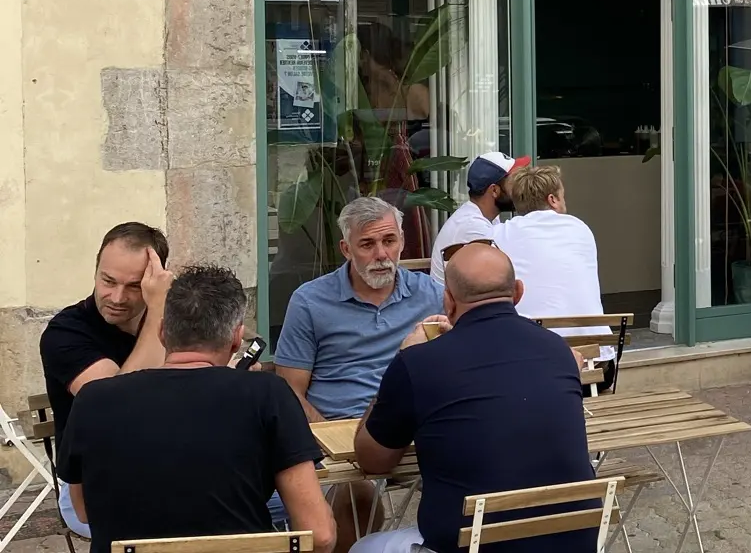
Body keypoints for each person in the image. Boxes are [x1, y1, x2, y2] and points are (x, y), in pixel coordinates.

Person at [56, 266, 335, 553]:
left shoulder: (93, 400)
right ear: (237, 339)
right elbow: (320, 535)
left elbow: (84, 511)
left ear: (163, 332)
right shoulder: (268, 393)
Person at [350, 244, 597, 553]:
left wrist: (404, 358)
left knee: (362, 547)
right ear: (518, 292)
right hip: (573, 543)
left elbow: (372, 460)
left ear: (448, 300)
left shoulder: (420, 363)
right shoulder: (559, 351)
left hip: (470, 545)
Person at [274, 196, 447, 552]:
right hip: (338, 434)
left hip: (413, 430)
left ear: (402, 240)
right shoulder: (310, 301)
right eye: (367, 244)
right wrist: (329, 438)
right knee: (357, 497)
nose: (382, 254)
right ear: (345, 248)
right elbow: (290, 389)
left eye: (389, 241)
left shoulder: (431, 295)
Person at [39, 223, 175, 538]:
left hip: (170, 466)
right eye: (108, 280)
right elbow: (116, 406)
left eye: (133, 286)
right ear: (96, 269)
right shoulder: (65, 333)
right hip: (90, 486)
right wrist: (157, 312)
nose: (116, 297)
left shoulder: (178, 321)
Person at [492, 164, 616, 380]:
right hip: (595, 364)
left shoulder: (500, 234)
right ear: (552, 200)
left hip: (530, 366)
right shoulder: (580, 229)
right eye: (562, 196)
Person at [429, 152, 532, 283]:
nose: (520, 189)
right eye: (515, 182)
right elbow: (505, 274)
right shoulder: (471, 226)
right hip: (453, 302)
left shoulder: (486, 216)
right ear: (494, 190)